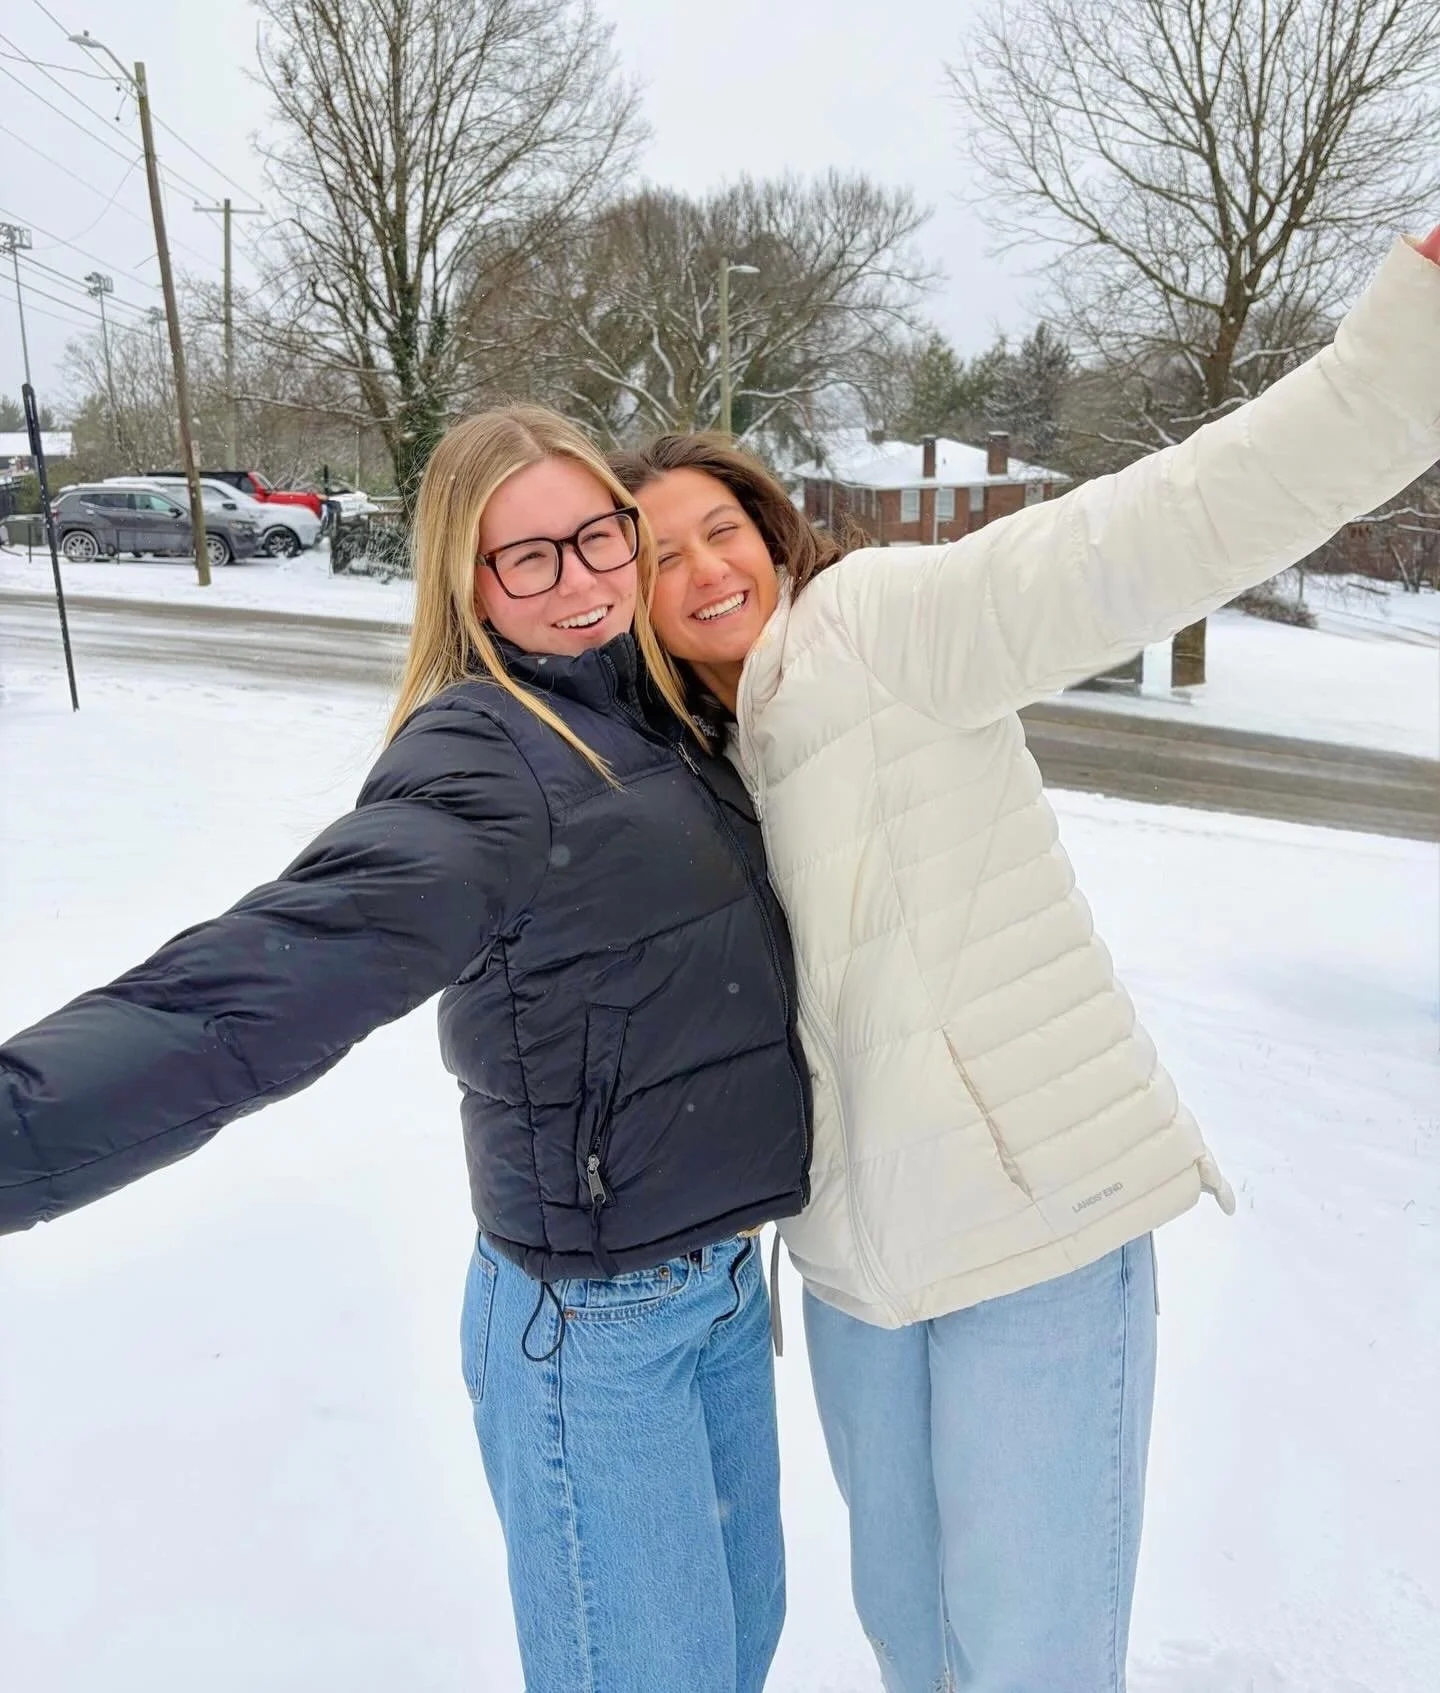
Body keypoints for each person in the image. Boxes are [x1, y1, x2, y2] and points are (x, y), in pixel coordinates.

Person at [611, 228, 1440, 1693]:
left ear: (774, 532)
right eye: (659, 555)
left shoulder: (881, 626)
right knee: (914, 1644)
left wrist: (1407, 349)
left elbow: (1152, 530)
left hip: (1032, 1235)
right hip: (856, 1273)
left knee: (1031, 1662)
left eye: (720, 529)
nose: (703, 568)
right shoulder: (689, 759)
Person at [0, 405, 814, 1693]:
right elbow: (248, 994)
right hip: (594, 1326)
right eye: (527, 556)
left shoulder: (659, 709)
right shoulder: (484, 760)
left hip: (718, 1290)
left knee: (737, 1654)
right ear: (467, 583)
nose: (581, 579)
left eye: (598, 536)